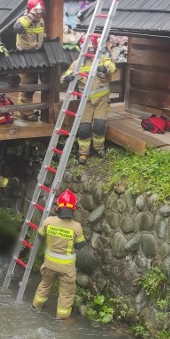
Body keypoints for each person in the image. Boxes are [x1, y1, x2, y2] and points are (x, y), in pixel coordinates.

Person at [61, 34, 117, 164]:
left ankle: (99, 149)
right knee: (84, 128)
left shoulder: (102, 59)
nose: (90, 51)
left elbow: (112, 67)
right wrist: (67, 78)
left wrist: (105, 68)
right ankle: (83, 153)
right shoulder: (77, 63)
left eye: (92, 48)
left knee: (99, 125)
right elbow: (65, 76)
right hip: (85, 100)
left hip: (102, 99)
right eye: (88, 48)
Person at [31, 190, 86, 320]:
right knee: (66, 293)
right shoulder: (76, 227)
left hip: (49, 264)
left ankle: (36, 306)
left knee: (44, 285)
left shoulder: (48, 221)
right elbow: (80, 246)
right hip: (66, 268)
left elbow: (39, 236)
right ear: (74, 209)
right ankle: (61, 318)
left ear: (58, 207)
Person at [13, 0, 45, 121]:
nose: (39, 14)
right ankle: (25, 113)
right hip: (25, 56)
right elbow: (17, 29)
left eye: (41, 11)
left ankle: (28, 110)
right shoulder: (23, 20)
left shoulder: (41, 21)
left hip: (36, 56)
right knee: (27, 85)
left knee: (33, 85)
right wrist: (31, 16)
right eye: (37, 12)